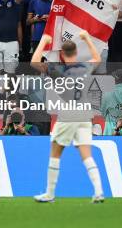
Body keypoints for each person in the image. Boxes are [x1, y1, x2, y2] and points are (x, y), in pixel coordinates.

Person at [31, 30, 104, 203]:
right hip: (85, 114)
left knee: (55, 152)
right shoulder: (86, 67)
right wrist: (86, 38)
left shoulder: (57, 69)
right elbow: (98, 58)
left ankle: (49, 194)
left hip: (68, 114)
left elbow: (34, 62)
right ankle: (99, 191)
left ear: (62, 54)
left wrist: (44, 41)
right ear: (76, 53)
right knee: (87, 154)